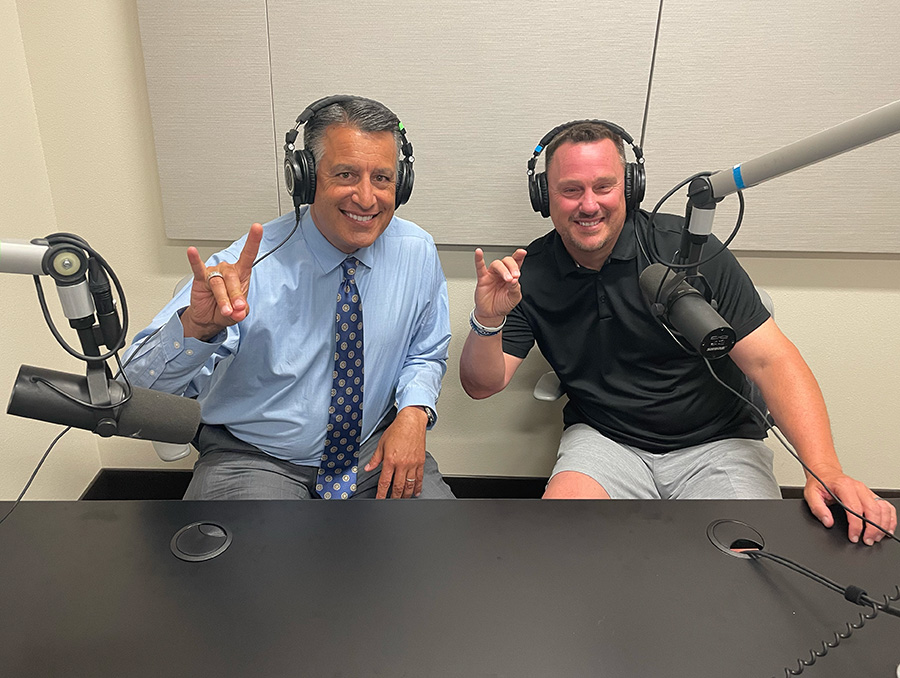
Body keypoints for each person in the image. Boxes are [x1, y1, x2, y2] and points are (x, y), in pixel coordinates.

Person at [459, 120, 896, 544]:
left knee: (749, 568)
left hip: (717, 441)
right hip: (607, 440)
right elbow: (482, 384)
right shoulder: (527, 272)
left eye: (604, 187)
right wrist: (488, 320)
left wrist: (826, 469)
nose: (588, 204)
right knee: (564, 550)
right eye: (571, 190)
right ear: (544, 197)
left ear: (630, 188)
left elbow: (770, 360)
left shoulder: (689, 249)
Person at [125, 95, 454, 500]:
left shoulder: (416, 251)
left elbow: (425, 352)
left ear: (400, 184)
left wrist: (414, 413)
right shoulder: (245, 266)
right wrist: (196, 328)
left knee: (449, 557)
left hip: (371, 451)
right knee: (245, 564)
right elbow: (132, 394)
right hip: (254, 458)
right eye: (347, 175)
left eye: (382, 179)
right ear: (306, 178)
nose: (367, 199)